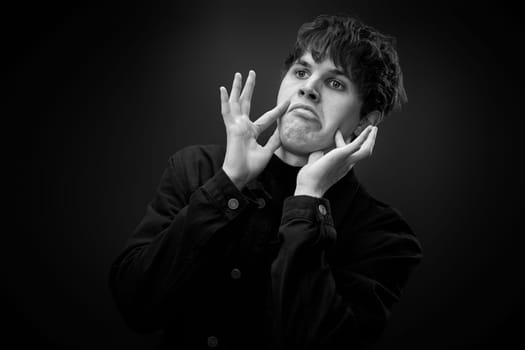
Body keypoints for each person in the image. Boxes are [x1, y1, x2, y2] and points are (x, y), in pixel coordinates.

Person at [109, 13, 423, 350]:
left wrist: (308, 201)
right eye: (302, 72)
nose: (308, 88)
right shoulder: (197, 168)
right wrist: (228, 184)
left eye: (336, 83)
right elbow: (135, 305)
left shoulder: (383, 235)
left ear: (365, 122)